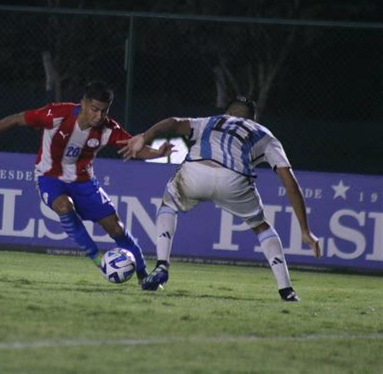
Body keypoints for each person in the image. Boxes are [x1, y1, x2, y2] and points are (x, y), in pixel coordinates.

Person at [0, 81, 173, 284]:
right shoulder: (56, 114)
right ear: (83, 103)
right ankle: (97, 259)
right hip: (49, 178)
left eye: (104, 111)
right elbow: (17, 118)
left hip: (84, 182)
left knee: (115, 228)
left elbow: (136, 149)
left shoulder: (108, 128)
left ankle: (144, 275)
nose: (99, 116)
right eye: (95, 109)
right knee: (63, 205)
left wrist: (157, 152)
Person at [119, 96, 321, 301]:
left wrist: (144, 137)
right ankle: (287, 291)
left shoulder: (213, 120)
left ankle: (162, 265)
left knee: (168, 204)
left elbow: (173, 122)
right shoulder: (265, 134)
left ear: (229, 113)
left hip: (196, 171)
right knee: (262, 227)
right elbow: (290, 183)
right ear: (254, 119)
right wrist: (305, 230)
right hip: (234, 180)